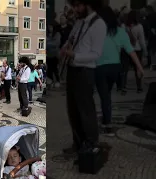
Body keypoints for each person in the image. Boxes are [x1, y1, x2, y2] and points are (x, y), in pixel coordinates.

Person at [61, 0, 106, 156]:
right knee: (73, 109)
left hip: (86, 71)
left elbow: (96, 54)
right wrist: (65, 47)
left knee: (86, 109)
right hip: (73, 70)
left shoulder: (99, 24)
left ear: (88, 4)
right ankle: (78, 142)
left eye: (78, 5)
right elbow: (71, 40)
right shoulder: (80, 22)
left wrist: (75, 55)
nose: (75, 9)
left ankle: (91, 142)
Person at [96, 6, 144, 136]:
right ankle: (107, 121)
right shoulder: (120, 31)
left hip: (100, 67)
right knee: (107, 95)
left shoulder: (97, 31)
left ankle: (107, 124)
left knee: (105, 97)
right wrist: (139, 67)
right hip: (115, 68)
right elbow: (131, 51)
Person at [125, 10, 147, 93]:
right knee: (137, 68)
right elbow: (142, 40)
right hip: (137, 49)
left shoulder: (125, 26)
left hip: (127, 49)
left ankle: (123, 86)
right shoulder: (139, 26)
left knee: (125, 69)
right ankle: (139, 87)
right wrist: (145, 51)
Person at [47, 23, 61, 87]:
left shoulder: (57, 34)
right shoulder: (47, 34)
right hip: (48, 55)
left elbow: (56, 44)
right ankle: (50, 82)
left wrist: (48, 42)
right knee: (49, 69)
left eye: (51, 27)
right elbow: (45, 44)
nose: (50, 28)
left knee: (55, 69)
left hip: (55, 55)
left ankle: (57, 81)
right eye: (49, 27)